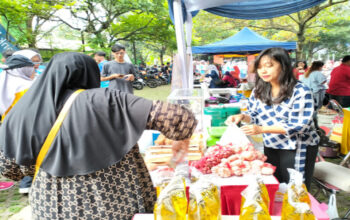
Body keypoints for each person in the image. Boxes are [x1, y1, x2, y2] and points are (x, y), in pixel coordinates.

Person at [0, 52, 197, 219]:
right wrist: (181, 138)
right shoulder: (106, 100)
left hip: (51, 206)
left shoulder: (23, 110)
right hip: (114, 204)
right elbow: (180, 117)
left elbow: (9, 169)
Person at [226, 48, 319, 190]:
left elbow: (300, 125)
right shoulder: (259, 90)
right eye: (260, 67)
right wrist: (242, 116)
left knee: (295, 188)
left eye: (269, 66)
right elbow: (254, 115)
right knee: (274, 184)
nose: (263, 71)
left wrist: (261, 129)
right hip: (271, 144)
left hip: (298, 146)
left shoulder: (300, 91)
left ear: (284, 66)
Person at [0, 55, 34, 191]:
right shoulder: (26, 85)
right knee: (28, 153)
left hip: (7, 124)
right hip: (26, 125)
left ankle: (22, 179)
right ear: (23, 69)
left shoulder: (4, 81)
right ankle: (27, 182)